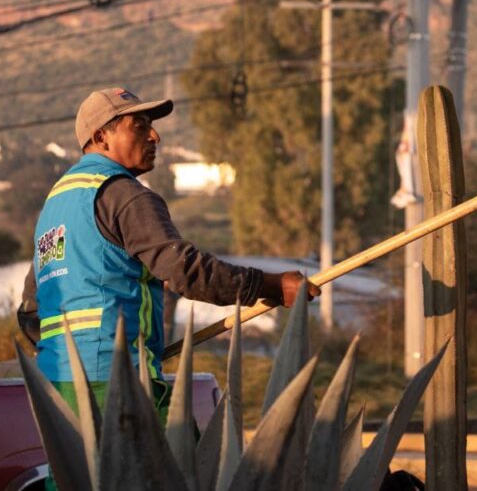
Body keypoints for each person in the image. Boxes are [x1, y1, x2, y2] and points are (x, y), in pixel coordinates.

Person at [17, 87, 318, 418]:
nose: (155, 136)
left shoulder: (55, 205)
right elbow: (184, 270)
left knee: (71, 472)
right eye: (140, 126)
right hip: (118, 381)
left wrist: (65, 354)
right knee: (177, 466)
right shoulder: (125, 195)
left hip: (56, 388)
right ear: (102, 137)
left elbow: (30, 310)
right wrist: (269, 286)